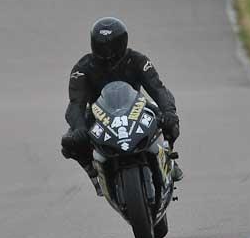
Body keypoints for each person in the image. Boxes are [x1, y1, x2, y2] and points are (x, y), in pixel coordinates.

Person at [61, 17, 183, 193]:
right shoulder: (82, 68)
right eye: (101, 46)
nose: (107, 53)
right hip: (99, 114)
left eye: (112, 46)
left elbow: (158, 89)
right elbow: (75, 104)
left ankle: (168, 158)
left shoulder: (137, 60)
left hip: (137, 108)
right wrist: (79, 127)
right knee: (69, 142)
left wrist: (169, 111)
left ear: (122, 42)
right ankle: (93, 173)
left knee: (170, 122)